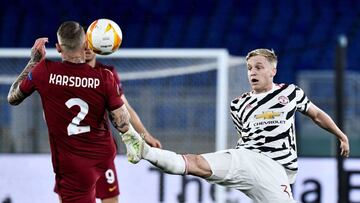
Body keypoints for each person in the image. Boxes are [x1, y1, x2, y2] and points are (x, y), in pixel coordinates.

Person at [121, 48, 350, 203]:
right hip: (248, 158)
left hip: (274, 170)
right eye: (249, 68)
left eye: (259, 67)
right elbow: (246, 136)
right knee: (196, 163)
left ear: (273, 70)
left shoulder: (290, 93)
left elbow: (317, 115)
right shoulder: (238, 104)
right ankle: (145, 151)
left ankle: (147, 151)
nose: (253, 72)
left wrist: (340, 135)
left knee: (198, 164)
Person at [7, 21, 139, 203]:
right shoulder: (105, 77)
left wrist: (34, 60)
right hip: (103, 155)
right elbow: (121, 121)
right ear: (86, 44)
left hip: (73, 163)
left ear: (58, 47)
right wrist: (135, 140)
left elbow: (13, 97)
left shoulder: (43, 72)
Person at [54, 48, 162, 203]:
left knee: (110, 198)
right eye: (83, 46)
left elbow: (125, 108)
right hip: (72, 151)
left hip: (100, 150)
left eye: (90, 46)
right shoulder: (64, 76)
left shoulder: (106, 74)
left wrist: (144, 134)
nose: (87, 50)